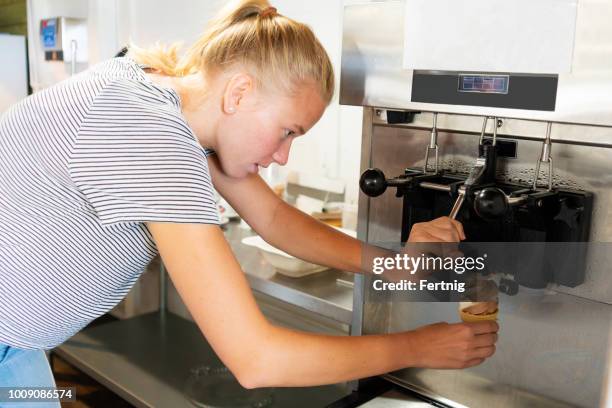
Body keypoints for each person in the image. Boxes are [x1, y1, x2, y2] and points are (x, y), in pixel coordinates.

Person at [0, 0, 498, 400]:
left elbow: (274, 217)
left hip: (18, 343)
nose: (283, 155)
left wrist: (395, 268)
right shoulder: (153, 136)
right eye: (287, 131)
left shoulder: (153, 92)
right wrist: (417, 347)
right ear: (239, 93)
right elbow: (256, 359)